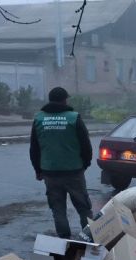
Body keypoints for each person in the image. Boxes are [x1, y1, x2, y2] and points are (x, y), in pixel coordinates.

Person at [30, 87, 94, 239]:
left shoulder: (39, 119)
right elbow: (86, 145)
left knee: (58, 209)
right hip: (74, 171)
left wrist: (38, 170)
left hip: (50, 173)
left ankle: (64, 241)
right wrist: (84, 165)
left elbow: (34, 148)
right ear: (64, 99)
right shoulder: (73, 118)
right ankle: (90, 238)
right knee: (83, 207)